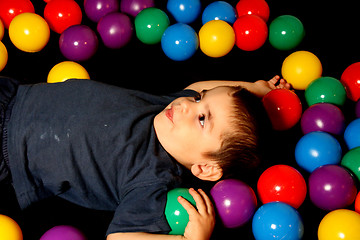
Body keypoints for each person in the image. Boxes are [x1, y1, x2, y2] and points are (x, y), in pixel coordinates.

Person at [0, 75, 290, 240]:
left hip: (7, 151)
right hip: (13, 94)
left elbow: (120, 238)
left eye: (203, 119)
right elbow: (202, 85)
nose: (189, 105)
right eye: (199, 100)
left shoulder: (152, 180)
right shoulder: (166, 110)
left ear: (204, 167)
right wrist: (254, 88)